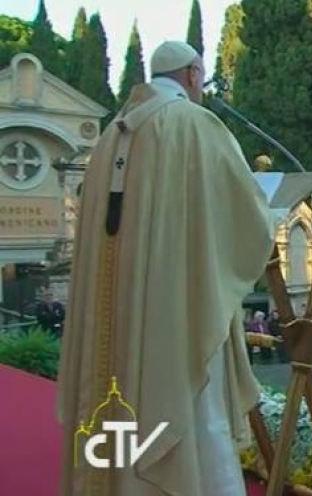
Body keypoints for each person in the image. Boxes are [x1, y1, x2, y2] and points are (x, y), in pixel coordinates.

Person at [57, 41, 273, 496]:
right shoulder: (194, 124)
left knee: (114, 395)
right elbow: (245, 212)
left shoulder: (109, 138)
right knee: (192, 410)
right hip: (172, 310)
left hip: (112, 316)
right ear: (193, 74)